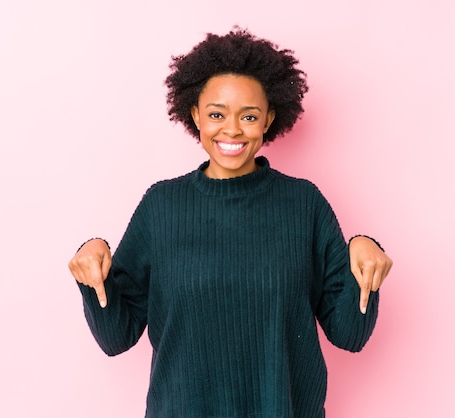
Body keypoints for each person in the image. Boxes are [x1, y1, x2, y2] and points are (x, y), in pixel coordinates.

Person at [68, 27, 393, 417]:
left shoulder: (304, 204)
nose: (232, 129)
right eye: (217, 114)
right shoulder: (161, 207)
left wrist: (364, 254)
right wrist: (92, 271)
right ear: (195, 116)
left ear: (269, 118)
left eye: (249, 116)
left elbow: (350, 335)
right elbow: (115, 337)